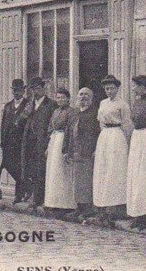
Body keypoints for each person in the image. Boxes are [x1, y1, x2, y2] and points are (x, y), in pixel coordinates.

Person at [92, 74, 132, 225]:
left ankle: (116, 208)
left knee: (115, 170)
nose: (109, 91)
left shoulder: (122, 104)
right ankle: (103, 206)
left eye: (112, 88)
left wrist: (126, 142)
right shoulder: (103, 103)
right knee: (103, 168)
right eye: (107, 89)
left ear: (117, 88)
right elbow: (100, 122)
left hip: (117, 136)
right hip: (105, 136)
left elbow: (127, 125)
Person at [125, 74, 146, 229]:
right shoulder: (137, 102)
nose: (132, 89)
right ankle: (137, 213)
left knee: (144, 174)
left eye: (134, 86)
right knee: (135, 174)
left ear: (141, 86)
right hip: (137, 137)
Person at [18, 76, 57, 209]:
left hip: (42, 141)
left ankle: (39, 199)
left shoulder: (51, 104)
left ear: (43, 89)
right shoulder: (29, 104)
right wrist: (25, 114)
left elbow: (53, 124)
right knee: (30, 170)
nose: (36, 92)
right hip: (29, 141)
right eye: (33, 89)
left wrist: (49, 140)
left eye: (38, 89)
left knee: (41, 169)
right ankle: (33, 195)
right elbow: (19, 123)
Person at [63, 87, 100, 221]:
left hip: (87, 153)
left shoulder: (94, 114)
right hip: (75, 152)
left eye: (86, 95)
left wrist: (95, 149)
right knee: (77, 182)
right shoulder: (75, 113)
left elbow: (97, 134)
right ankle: (79, 207)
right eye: (81, 94)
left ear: (91, 98)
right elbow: (68, 132)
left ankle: (87, 209)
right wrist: (66, 150)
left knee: (86, 181)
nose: (83, 97)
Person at [43, 88, 74, 217]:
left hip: (64, 140)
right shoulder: (55, 111)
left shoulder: (71, 111)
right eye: (58, 97)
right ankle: (53, 202)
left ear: (68, 98)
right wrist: (48, 147)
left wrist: (67, 147)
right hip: (54, 140)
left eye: (62, 97)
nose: (60, 100)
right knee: (53, 172)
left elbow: (71, 129)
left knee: (63, 172)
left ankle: (65, 204)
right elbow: (50, 128)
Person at [0, 78, 28, 204]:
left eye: (19, 90)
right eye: (15, 90)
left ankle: (19, 195)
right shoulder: (8, 106)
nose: (17, 93)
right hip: (9, 143)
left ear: (23, 91)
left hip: (22, 142)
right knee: (7, 164)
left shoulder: (28, 104)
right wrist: (2, 140)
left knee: (21, 167)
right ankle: (27, 186)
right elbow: (4, 124)